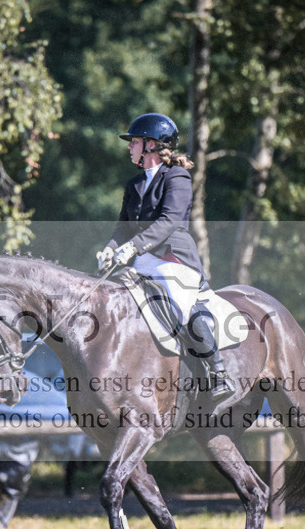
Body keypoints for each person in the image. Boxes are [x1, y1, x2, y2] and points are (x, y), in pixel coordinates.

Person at [96, 112, 233, 400]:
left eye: (134, 142)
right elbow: (123, 228)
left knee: (180, 304)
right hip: (141, 261)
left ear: (152, 145)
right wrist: (110, 248)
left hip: (172, 259)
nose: (129, 147)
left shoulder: (177, 177)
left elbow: (169, 221)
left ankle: (218, 371)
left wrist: (133, 247)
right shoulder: (134, 185)